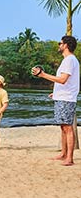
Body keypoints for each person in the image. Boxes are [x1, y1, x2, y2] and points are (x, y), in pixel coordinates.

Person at [32, 35, 79, 166]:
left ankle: (69, 158)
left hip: (66, 99)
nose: (59, 45)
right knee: (63, 127)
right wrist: (56, 93)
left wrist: (42, 74)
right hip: (62, 97)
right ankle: (64, 154)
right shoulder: (67, 60)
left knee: (68, 127)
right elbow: (67, 82)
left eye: (60, 43)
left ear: (66, 45)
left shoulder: (70, 60)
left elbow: (63, 80)